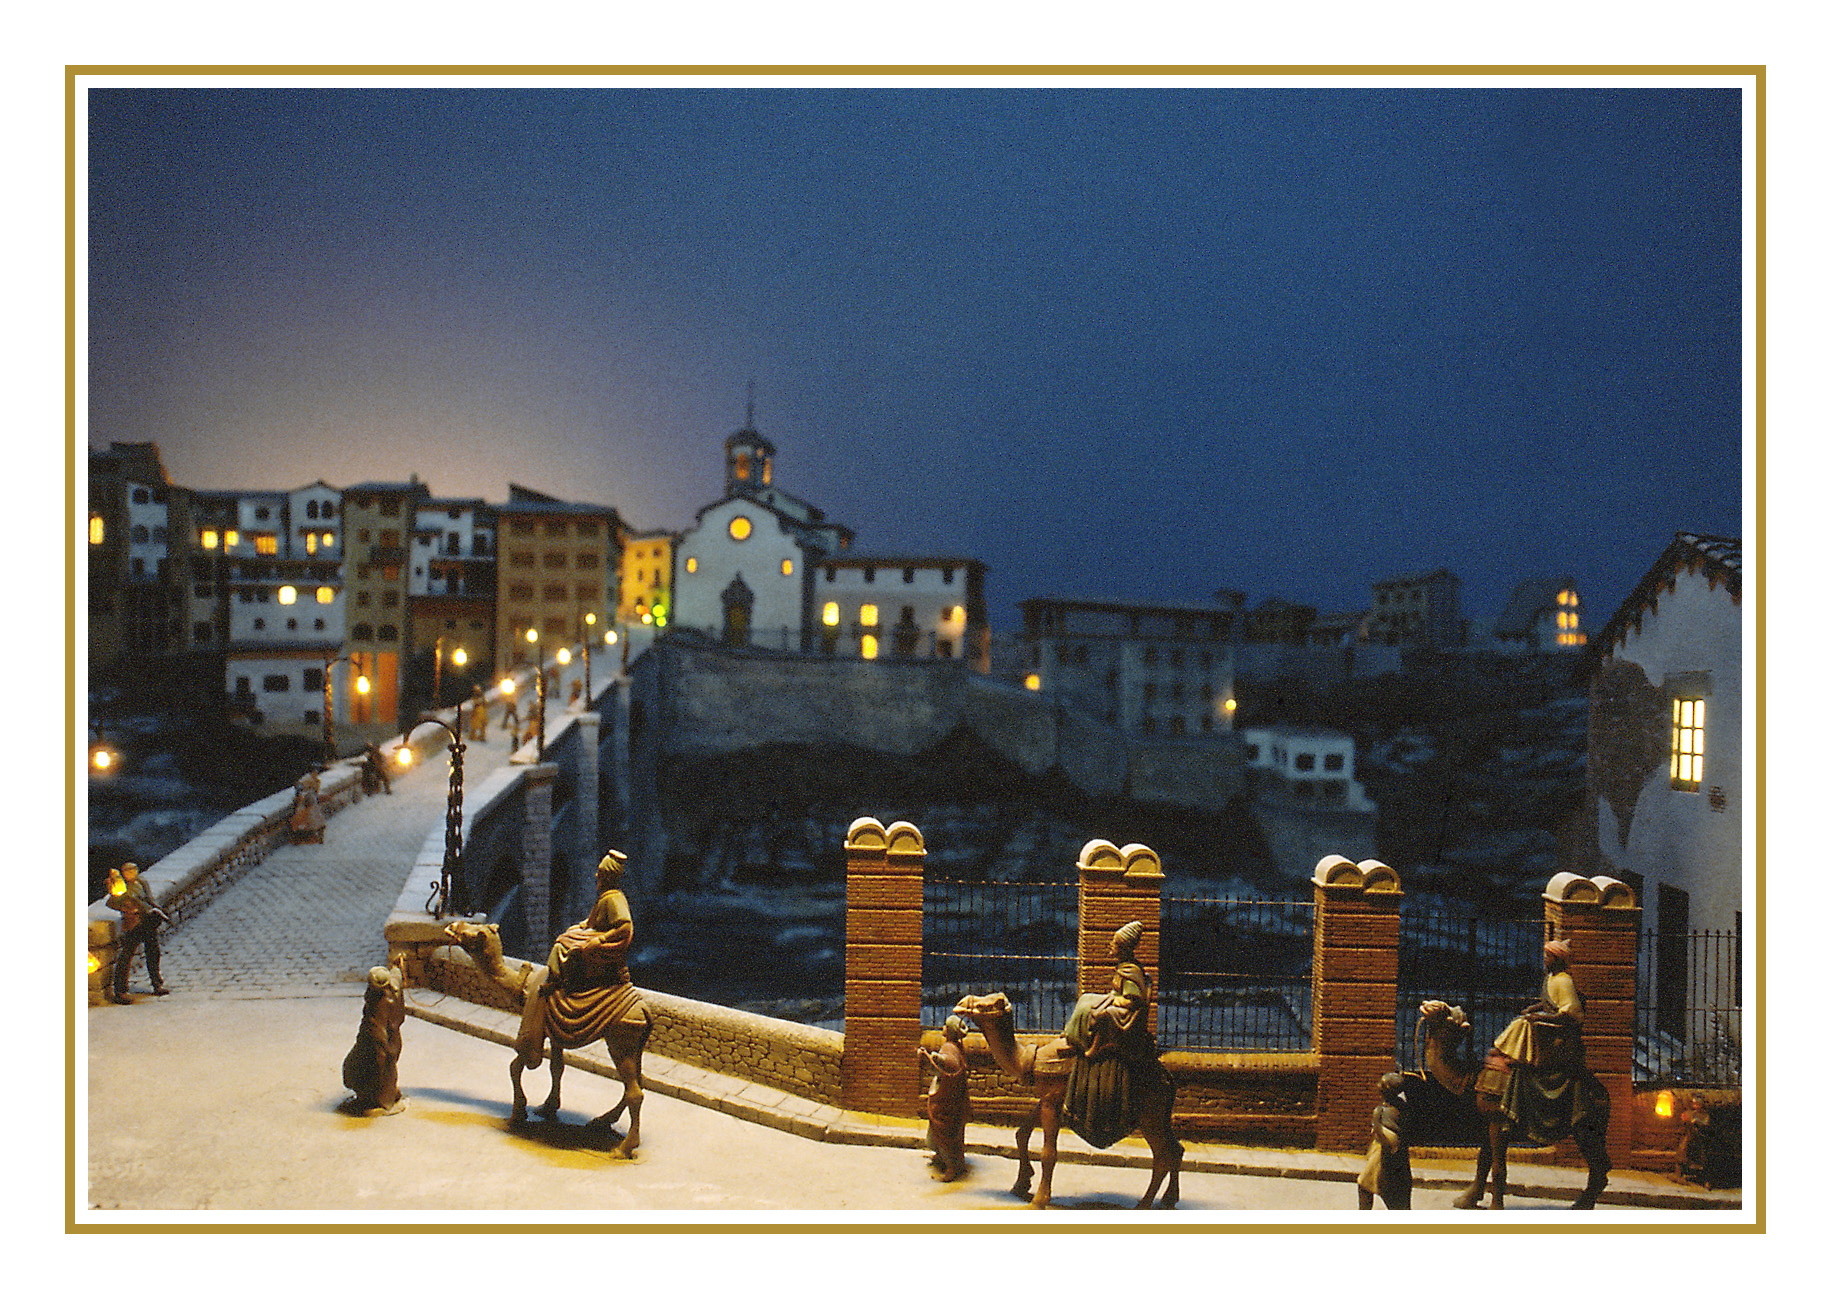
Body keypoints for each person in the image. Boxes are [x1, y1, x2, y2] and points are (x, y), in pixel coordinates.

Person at [1060, 921, 1164, 1148]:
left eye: (1114, 944)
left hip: (1127, 1016)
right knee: (1086, 1000)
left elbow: (1133, 1000)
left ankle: (1094, 1046)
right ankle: (1074, 1036)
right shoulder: (1123, 966)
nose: (1110, 947)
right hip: (1120, 1003)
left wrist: (1111, 1000)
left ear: (1124, 947)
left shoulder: (1131, 970)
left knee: (1101, 1014)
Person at [544, 850, 635, 995]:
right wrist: (582, 926)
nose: (596, 876)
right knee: (569, 934)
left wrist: (601, 939)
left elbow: (625, 927)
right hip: (596, 933)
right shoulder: (605, 896)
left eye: (600, 873)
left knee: (561, 946)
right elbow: (594, 920)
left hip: (604, 941)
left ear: (608, 876)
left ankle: (559, 981)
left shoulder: (613, 899)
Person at [1492, 938, 1585, 1073]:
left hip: (1559, 1023)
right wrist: (1533, 1009)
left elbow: (1568, 1012)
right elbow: (1547, 1002)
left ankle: (1522, 1057)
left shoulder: (1564, 981)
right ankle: (1505, 1050)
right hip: (1549, 1016)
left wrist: (1540, 1018)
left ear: (1558, 959)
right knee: (1520, 1020)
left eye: (1549, 956)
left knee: (1526, 1023)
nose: (1545, 959)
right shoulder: (1550, 978)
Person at [342, 954, 407, 1115]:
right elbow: (397, 975)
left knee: (372, 1069)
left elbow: (378, 1036)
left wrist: (381, 1055)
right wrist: (397, 966)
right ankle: (384, 1095)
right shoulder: (393, 987)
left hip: (380, 1043)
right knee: (386, 1068)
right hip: (393, 1039)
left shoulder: (377, 1005)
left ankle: (381, 1100)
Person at [106, 862, 170, 1002]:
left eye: (133, 870)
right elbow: (111, 903)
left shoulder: (141, 882)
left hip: (147, 920)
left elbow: (149, 899)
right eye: (128, 871)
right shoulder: (120, 886)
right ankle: (121, 990)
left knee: (153, 952)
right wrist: (124, 906)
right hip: (132, 923)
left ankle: (156, 983)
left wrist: (156, 910)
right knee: (127, 955)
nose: (131, 873)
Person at [920, 1015, 971, 1181]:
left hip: (948, 1100)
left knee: (944, 1131)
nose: (942, 1027)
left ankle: (952, 1167)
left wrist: (935, 1058)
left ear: (949, 1031)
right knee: (937, 1129)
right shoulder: (955, 1046)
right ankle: (941, 1157)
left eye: (945, 1026)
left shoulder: (949, 1048)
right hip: (950, 1095)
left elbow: (950, 1065)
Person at [1357, 1072, 1412, 1209]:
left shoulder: (1380, 1111)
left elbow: (1378, 1133)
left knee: (1364, 1185)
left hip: (1382, 1157)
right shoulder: (1404, 1107)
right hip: (1399, 1157)